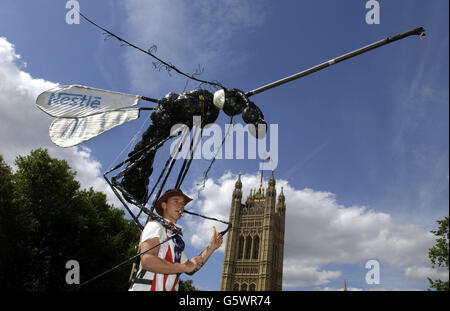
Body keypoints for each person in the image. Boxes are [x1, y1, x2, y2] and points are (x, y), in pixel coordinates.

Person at [129, 188, 223, 291]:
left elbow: (190, 268)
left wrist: (211, 247)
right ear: (164, 205)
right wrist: (184, 267)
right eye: (176, 201)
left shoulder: (175, 239)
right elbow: (147, 260)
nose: (181, 206)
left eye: (183, 203)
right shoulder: (155, 226)